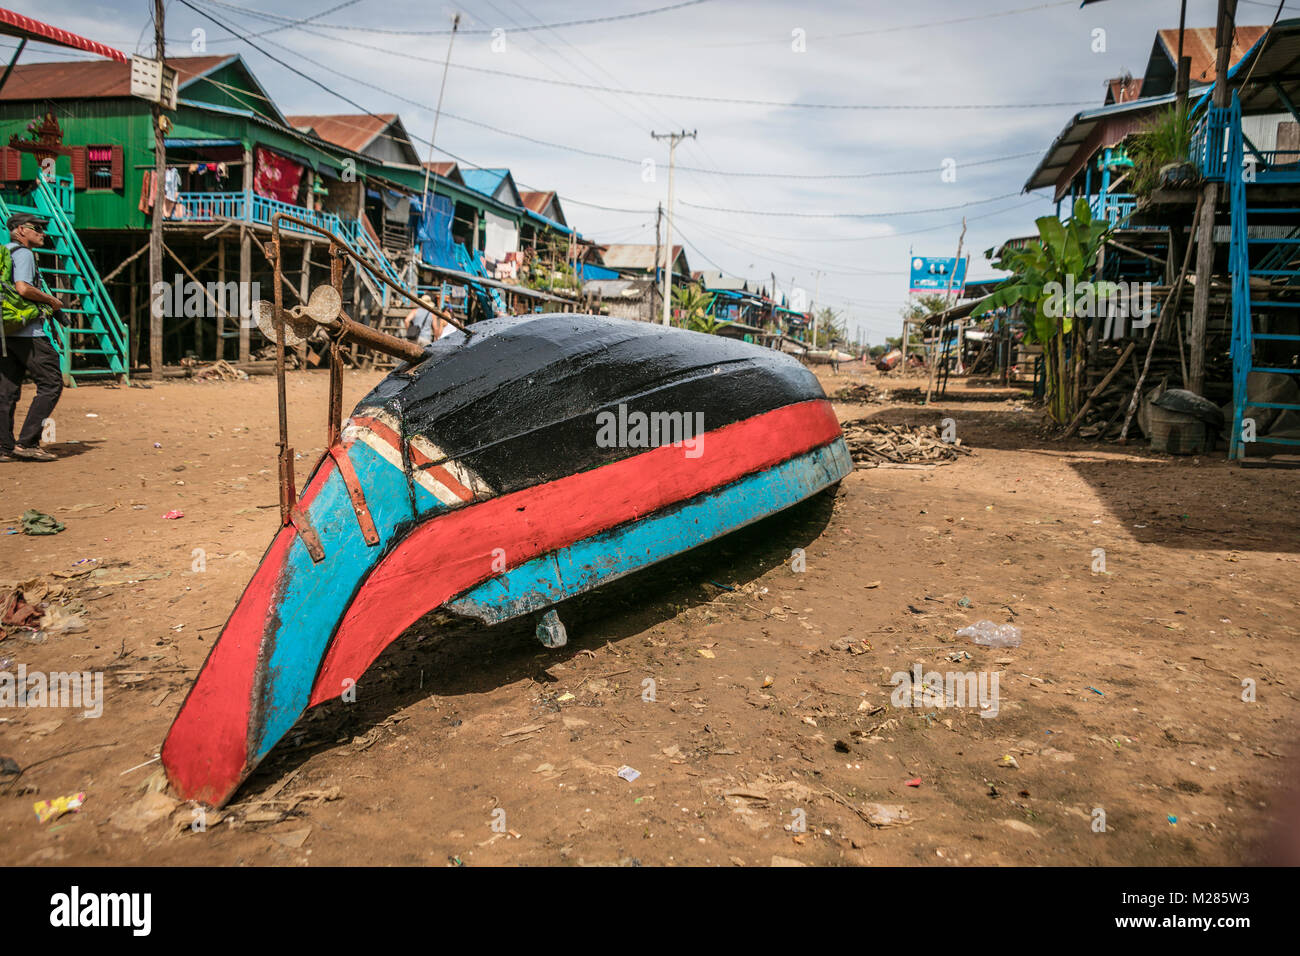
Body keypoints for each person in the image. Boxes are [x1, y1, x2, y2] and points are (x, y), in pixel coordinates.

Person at [1, 213, 67, 463]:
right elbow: (23, 287)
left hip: (5, 332)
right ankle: (27, 442)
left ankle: (3, 446)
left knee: (5, 390)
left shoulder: (3, 252)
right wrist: (53, 301)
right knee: (51, 383)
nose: (42, 233)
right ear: (20, 230)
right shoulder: (24, 253)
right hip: (29, 333)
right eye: (36, 228)